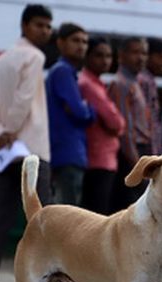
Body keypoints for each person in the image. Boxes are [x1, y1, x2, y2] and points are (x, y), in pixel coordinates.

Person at [0, 4, 54, 282]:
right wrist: (9, 131)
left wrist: (0, 134)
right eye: (39, 25)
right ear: (24, 26)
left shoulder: (1, 60)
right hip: (31, 149)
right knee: (45, 218)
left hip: (7, 151)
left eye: (48, 26)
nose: (45, 31)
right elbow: (22, 101)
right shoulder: (34, 56)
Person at [46, 22, 94, 206]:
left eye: (84, 41)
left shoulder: (69, 72)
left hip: (70, 151)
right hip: (67, 151)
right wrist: (90, 110)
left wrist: (84, 109)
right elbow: (80, 112)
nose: (81, 45)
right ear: (60, 43)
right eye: (75, 40)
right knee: (67, 212)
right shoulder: (63, 71)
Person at [79, 36, 125, 215]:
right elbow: (116, 123)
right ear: (87, 57)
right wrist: (119, 126)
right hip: (98, 159)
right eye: (99, 55)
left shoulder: (97, 84)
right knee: (97, 214)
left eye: (108, 56)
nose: (105, 61)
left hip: (103, 159)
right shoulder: (88, 85)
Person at [107, 36, 150, 211]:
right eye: (135, 52)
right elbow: (125, 130)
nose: (140, 57)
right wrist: (137, 164)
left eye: (144, 53)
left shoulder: (135, 82)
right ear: (121, 55)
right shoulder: (121, 83)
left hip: (138, 152)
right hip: (130, 155)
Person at [139, 38, 162, 155]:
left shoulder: (149, 80)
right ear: (148, 56)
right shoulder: (144, 80)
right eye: (161, 57)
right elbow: (148, 119)